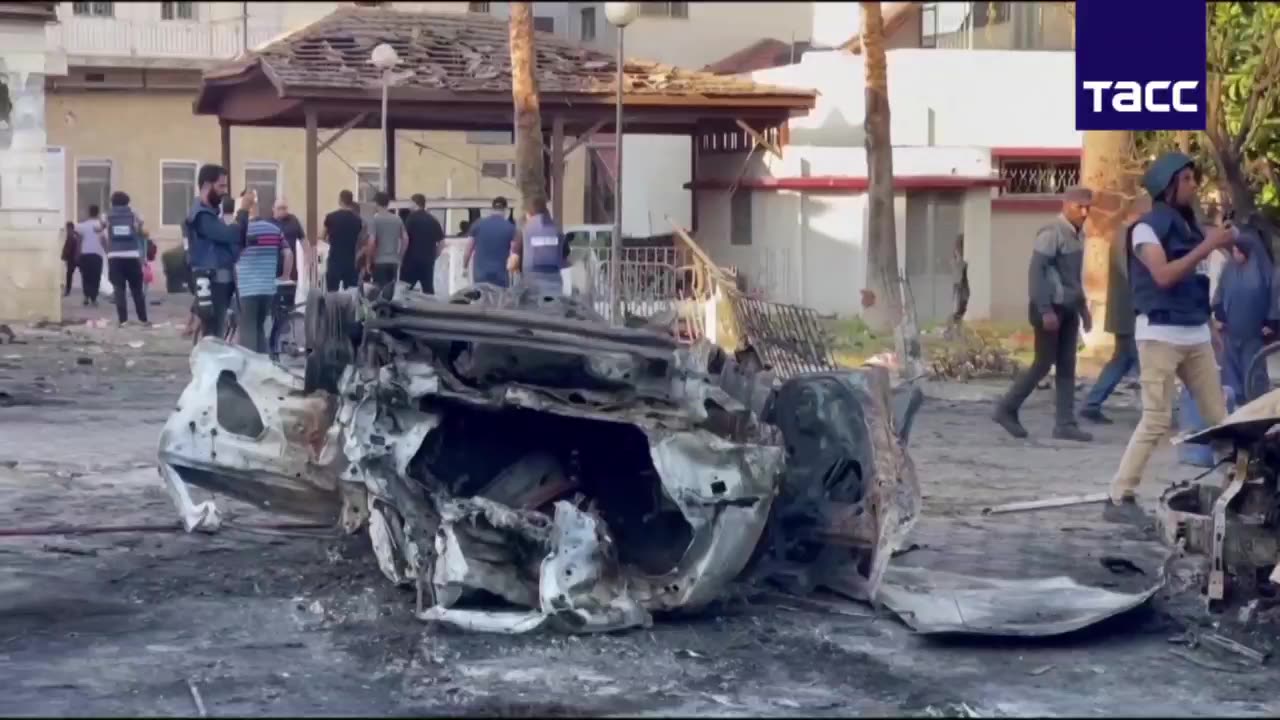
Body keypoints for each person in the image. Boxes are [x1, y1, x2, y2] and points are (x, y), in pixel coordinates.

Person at [1106, 152, 1238, 523]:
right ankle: (1119, 494)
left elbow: (1195, 282)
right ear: (1167, 188)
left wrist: (1210, 328)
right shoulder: (1146, 230)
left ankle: (1236, 486)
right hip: (1160, 334)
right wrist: (1209, 245)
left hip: (1194, 332)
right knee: (1156, 419)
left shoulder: (1191, 229)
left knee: (1220, 420)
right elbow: (1163, 276)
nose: (1194, 186)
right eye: (1187, 181)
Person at [992, 186, 1095, 442]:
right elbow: (1036, 274)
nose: (1084, 212)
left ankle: (1065, 423)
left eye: (1087, 207)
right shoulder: (1052, 233)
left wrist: (1083, 309)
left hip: (1069, 308)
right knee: (1043, 363)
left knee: (1067, 365)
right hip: (1050, 308)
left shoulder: (1078, 235)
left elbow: (1072, 278)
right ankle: (1006, 408)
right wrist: (1046, 310)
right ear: (1066, 204)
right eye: (1078, 206)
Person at [1080, 203, 1149, 424]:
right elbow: (1130, 274)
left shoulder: (1122, 234)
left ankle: (1092, 403)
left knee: (1122, 359)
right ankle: (1153, 412)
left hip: (1124, 311)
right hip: (1130, 311)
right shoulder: (1127, 236)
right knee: (1144, 362)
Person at [1213, 221, 1274, 402]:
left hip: (1254, 330)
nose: (1235, 254)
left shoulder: (1264, 272)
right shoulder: (1229, 269)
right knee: (1230, 366)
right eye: (1234, 250)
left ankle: (1255, 398)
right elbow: (1220, 293)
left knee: (1253, 365)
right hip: (1231, 328)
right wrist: (1219, 313)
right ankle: (1236, 397)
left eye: (1238, 251)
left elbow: (1273, 297)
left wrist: (1271, 322)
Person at [185, 163, 245, 339]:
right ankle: (209, 365)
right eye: (221, 186)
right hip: (212, 281)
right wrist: (242, 213)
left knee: (216, 331)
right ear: (206, 186)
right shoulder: (201, 215)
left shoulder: (210, 213)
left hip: (220, 281)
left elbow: (232, 242)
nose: (224, 191)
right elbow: (229, 235)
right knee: (212, 333)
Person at [236, 193, 292, 354]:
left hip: (247, 288)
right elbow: (288, 253)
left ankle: (250, 369)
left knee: (248, 329)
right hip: (268, 288)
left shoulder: (242, 230)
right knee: (260, 328)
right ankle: (262, 363)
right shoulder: (275, 230)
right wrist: (285, 276)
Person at [104, 191, 149, 326]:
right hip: (132, 255)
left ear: (112, 202)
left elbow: (98, 228)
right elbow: (141, 227)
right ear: (127, 202)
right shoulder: (134, 215)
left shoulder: (107, 215)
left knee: (119, 289)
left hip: (114, 256)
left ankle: (123, 320)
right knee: (137, 289)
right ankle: (143, 319)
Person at [512, 194, 566, 296]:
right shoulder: (556, 229)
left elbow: (514, 260)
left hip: (531, 280)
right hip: (554, 280)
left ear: (529, 213)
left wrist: (513, 268)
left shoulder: (524, 230)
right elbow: (565, 255)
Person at [464, 196, 517, 287]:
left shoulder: (478, 224)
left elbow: (468, 250)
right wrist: (514, 272)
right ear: (505, 210)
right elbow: (514, 253)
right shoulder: (511, 228)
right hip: (501, 275)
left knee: (482, 299)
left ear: (492, 209)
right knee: (500, 300)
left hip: (480, 275)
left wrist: (464, 267)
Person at [365, 190, 407, 294]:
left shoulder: (374, 219)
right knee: (390, 292)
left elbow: (371, 241)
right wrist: (399, 256)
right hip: (393, 262)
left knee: (379, 292)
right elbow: (405, 239)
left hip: (379, 262)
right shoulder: (397, 219)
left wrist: (368, 261)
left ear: (376, 203)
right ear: (388, 203)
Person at [402, 193, 445, 294]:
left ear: (415, 203)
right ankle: (430, 309)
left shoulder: (411, 219)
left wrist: (401, 256)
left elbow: (405, 239)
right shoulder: (433, 220)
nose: (409, 206)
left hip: (411, 261)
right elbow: (442, 243)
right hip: (427, 262)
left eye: (410, 203)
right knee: (428, 289)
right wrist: (434, 256)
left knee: (405, 290)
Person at [322, 190, 365, 292]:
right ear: (351, 201)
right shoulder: (358, 220)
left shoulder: (330, 217)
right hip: (350, 261)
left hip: (334, 259)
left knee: (332, 292)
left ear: (340, 200)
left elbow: (323, 236)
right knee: (350, 293)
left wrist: (332, 241)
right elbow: (360, 241)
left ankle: (333, 308)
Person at [75, 204, 106, 307]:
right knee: (96, 277)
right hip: (97, 254)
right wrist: (107, 251)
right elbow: (103, 240)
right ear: (97, 213)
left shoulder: (82, 226)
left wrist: (77, 253)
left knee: (86, 276)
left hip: (85, 254)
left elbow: (78, 240)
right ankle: (94, 298)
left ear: (89, 212)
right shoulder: (100, 226)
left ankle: (86, 296)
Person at [62, 221, 80, 298]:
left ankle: (68, 290)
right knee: (83, 274)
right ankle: (88, 293)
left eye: (67, 228)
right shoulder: (77, 235)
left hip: (72, 258)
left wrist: (64, 256)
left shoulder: (70, 235)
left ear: (69, 228)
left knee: (69, 274)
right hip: (78, 257)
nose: (67, 230)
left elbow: (67, 248)